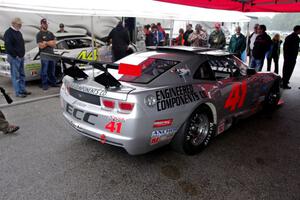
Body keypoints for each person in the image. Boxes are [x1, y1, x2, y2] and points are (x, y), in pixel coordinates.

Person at [4, 17, 31, 97]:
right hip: (14, 58)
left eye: (20, 24)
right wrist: (16, 56)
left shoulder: (18, 32)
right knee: (16, 76)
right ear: (13, 24)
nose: (20, 25)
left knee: (22, 75)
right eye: (19, 24)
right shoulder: (8, 33)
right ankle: (18, 92)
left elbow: (21, 44)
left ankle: (22, 90)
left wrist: (22, 55)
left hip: (20, 57)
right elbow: (8, 46)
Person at [36, 18, 58, 90]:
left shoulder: (50, 33)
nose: (46, 25)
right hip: (44, 55)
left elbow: (54, 45)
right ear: (41, 24)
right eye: (44, 23)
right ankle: (44, 84)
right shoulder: (39, 34)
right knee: (44, 71)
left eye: (46, 24)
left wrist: (46, 42)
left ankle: (53, 83)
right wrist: (50, 42)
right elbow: (41, 46)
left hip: (51, 54)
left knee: (52, 70)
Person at [281, 25, 300, 89]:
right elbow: (295, 48)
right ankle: (285, 84)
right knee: (289, 71)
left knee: (285, 70)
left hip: (287, 57)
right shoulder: (296, 38)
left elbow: (285, 48)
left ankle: (283, 82)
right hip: (292, 57)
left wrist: (285, 56)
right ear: (298, 30)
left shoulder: (288, 37)